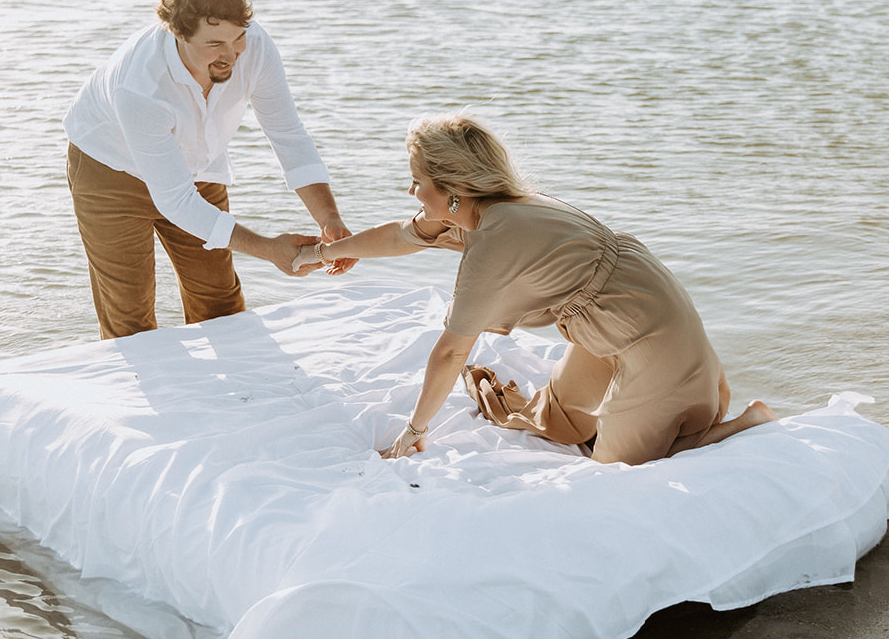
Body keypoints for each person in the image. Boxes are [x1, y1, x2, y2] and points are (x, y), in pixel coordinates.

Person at [293, 113, 776, 465]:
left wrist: (415, 432)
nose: (411, 192)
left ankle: (742, 427)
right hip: (612, 321)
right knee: (560, 420)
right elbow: (402, 234)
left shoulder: (495, 241)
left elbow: (448, 353)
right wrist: (321, 254)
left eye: (416, 181)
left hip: (652, 335)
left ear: (452, 189)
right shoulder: (486, 206)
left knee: (620, 472)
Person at [64, 0, 351, 339]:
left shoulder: (256, 47)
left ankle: (235, 396)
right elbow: (177, 202)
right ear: (177, 33)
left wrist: (329, 219)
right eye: (214, 44)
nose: (231, 56)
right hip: (109, 172)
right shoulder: (140, 87)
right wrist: (268, 249)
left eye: (237, 39)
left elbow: (288, 135)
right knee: (130, 322)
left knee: (221, 306)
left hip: (198, 170)